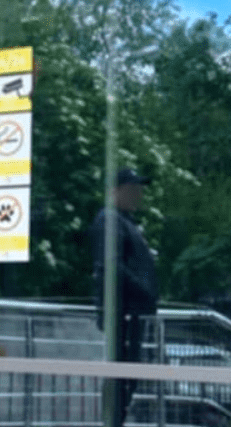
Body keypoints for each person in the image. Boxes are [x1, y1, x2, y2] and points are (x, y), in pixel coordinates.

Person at [90, 167, 158, 426]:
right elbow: (110, 265)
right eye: (132, 189)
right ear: (115, 192)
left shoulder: (123, 221)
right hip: (124, 313)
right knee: (122, 377)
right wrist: (143, 290)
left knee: (127, 378)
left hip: (131, 312)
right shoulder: (110, 220)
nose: (138, 195)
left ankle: (115, 421)